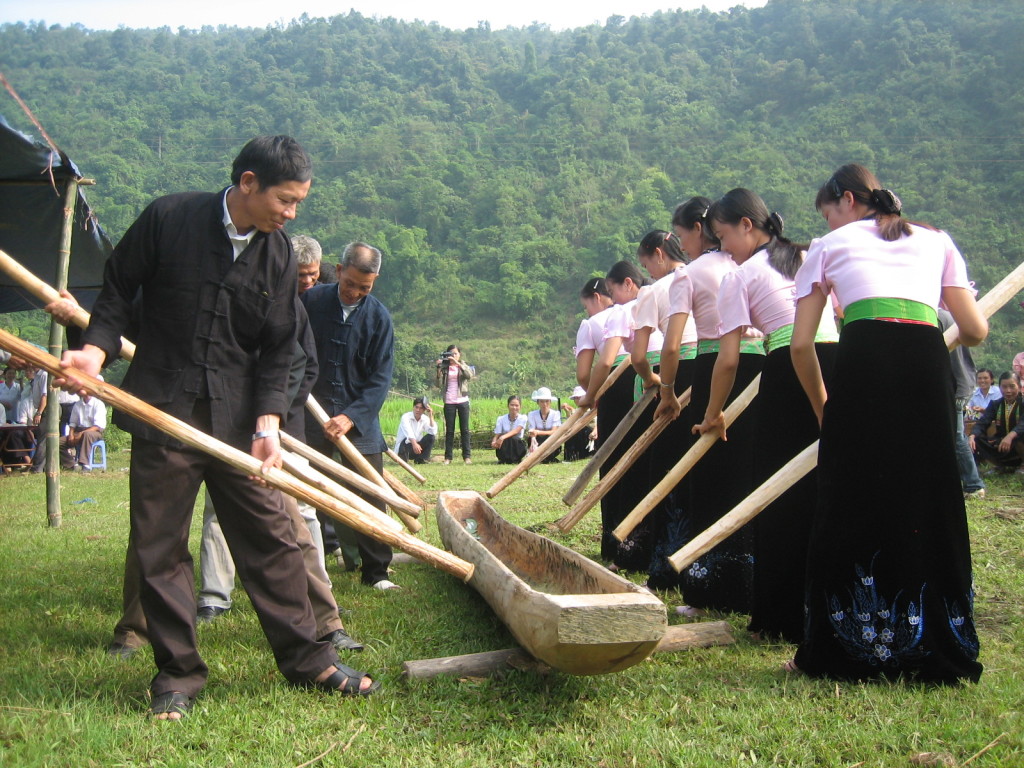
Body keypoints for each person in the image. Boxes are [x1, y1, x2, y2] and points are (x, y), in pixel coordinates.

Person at [56, 135, 377, 719]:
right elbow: (119, 289)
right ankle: (177, 674)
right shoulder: (169, 217)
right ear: (248, 182)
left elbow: (280, 347)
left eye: (298, 202)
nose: (291, 213)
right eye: (285, 199)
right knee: (159, 548)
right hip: (164, 415)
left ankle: (310, 660)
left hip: (235, 426)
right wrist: (96, 353)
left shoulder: (278, 255)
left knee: (273, 539)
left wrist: (268, 420)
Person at [789, 163, 986, 684]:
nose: (830, 222)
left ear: (848, 201)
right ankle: (939, 642)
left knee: (851, 496)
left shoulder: (827, 247)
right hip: (925, 364)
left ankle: (845, 648)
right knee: (929, 494)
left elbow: (802, 344)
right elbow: (974, 328)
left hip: (861, 364)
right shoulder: (936, 240)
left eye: (829, 212)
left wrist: (823, 406)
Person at [694, 189, 838, 642]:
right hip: (836, 361)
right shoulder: (807, 255)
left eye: (722, 238)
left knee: (779, 493)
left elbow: (730, 359)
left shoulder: (741, 276)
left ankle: (781, 617)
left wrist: (713, 413)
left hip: (791, 369)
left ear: (747, 227)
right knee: (828, 485)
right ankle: (830, 605)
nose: (723, 250)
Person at [659, 196, 764, 617]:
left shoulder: (690, 275)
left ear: (698, 229)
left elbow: (671, 344)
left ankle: (709, 590)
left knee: (710, 472)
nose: (682, 245)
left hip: (714, 366)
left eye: (682, 235)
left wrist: (667, 391)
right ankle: (753, 582)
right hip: (760, 366)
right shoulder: (749, 265)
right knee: (751, 470)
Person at [303, 241, 399, 591]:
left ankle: (376, 572)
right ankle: (307, 566)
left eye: (365, 288)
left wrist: (350, 416)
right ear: (339, 270)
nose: (355, 292)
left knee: (371, 493)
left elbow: (379, 379)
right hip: (309, 413)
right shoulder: (309, 302)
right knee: (304, 491)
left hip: (359, 420)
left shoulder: (379, 318)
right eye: (350, 284)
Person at [578, 261, 661, 571]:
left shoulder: (608, 317)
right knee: (650, 463)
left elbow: (593, 368)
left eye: (613, 291)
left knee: (618, 464)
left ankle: (620, 544)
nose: (612, 298)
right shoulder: (660, 298)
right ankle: (649, 544)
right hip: (659, 374)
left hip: (623, 383)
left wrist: (590, 396)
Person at [939, 309, 986, 500]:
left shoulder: (935, 317)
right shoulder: (950, 315)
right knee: (952, 436)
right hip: (962, 381)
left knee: (957, 437)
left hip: (954, 385)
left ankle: (973, 484)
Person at [969, 371, 1024, 473]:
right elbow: (983, 422)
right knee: (977, 438)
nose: (1008, 391)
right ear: (1000, 388)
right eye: (1004, 387)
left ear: (1019, 387)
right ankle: (1000, 465)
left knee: (1020, 436)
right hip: (1002, 443)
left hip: (1019, 443)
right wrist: (972, 435)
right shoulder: (995, 404)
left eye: (1012, 386)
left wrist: (1010, 436)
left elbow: (1022, 424)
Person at [436, 345, 474, 464]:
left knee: (465, 430)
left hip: (462, 400)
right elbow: (438, 384)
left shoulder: (463, 365)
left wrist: (457, 363)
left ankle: (467, 457)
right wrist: (438, 368)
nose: (453, 356)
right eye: (450, 354)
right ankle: (448, 458)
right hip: (449, 401)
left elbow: (469, 376)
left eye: (455, 353)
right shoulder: (444, 367)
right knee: (450, 430)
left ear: (459, 354)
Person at [60, 391, 106, 471]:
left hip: (94, 432)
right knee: (58, 442)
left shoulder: (98, 404)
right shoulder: (77, 404)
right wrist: (71, 434)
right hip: (79, 431)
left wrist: (82, 433)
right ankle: (70, 464)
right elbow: (73, 422)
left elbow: (98, 426)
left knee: (87, 434)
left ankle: (85, 464)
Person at [394, 397, 436, 463]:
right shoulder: (406, 417)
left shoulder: (425, 419)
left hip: (417, 447)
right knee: (405, 440)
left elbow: (433, 432)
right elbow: (408, 432)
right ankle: (402, 457)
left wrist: (430, 415)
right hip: (405, 446)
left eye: (421, 408)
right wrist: (414, 444)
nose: (418, 410)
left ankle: (421, 459)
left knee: (431, 437)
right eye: (416, 407)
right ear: (413, 407)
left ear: (424, 409)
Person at [526, 387, 562, 462]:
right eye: (542, 401)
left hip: (551, 440)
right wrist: (534, 433)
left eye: (547, 401)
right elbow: (532, 431)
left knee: (553, 438)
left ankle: (549, 457)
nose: (544, 404)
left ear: (550, 402)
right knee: (531, 439)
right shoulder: (532, 414)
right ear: (538, 402)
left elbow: (554, 431)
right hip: (538, 440)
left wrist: (538, 432)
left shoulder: (555, 414)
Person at [561, 387, 595, 462]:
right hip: (580, 434)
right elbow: (572, 422)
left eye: (580, 397)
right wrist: (568, 412)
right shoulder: (576, 410)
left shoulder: (591, 408)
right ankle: (570, 456)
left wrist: (572, 410)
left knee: (582, 430)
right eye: (576, 398)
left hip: (590, 434)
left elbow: (586, 420)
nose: (578, 399)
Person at [492, 395, 528, 464]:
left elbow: (517, 431)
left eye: (517, 405)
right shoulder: (501, 419)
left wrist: (503, 437)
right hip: (505, 445)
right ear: (508, 405)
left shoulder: (523, 418)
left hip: (517, 446)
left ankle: (516, 459)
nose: (514, 407)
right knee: (505, 440)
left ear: (520, 407)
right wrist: (494, 442)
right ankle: (503, 459)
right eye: (512, 405)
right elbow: (497, 434)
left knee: (513, 439)